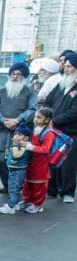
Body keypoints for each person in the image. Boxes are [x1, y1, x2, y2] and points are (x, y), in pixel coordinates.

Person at [0, 62, 37, 194]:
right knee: (2, 158)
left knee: (19, 159)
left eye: (19, 74)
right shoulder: (0, 91)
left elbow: (33, 109)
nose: (15, 76)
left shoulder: (30, 92)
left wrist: (18, 120)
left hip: (21, 131)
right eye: (13, 74)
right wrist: (3, 120)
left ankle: (17, 187)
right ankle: (7, 186)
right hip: (3, 129)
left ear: (24, 77)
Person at [46, 52, 77, 202]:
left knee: (68, 163)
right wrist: (47, 117)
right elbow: (48, 102)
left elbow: (74, 111)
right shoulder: (60, 84)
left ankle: (68, 192)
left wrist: (55, 121)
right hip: (54, 130)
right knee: (52, 160)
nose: (66, 68)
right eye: (65, 66)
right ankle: (51, 189)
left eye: (70, 66)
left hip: (71, 131)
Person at [21, 108, 57, 214]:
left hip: (41, 162)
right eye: (35, 117)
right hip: (32, 160)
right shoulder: (36, 128)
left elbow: (46, 149)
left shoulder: (49, 133)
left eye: (39, 117)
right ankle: (27, 200)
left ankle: (37, 204)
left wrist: (28, 146)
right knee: (28, 181)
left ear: (47, 120)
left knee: (39, 184)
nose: (35, 119)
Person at [0, 126, 33, 214]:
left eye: (19, 134)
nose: (16, 136)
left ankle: (11, 206)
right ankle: (15, 203)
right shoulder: (19, 145)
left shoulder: (24, 146)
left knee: (14, 188)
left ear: (26, 138)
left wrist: (13, 146)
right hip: (14, 169)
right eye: (16, 134)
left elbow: (17, 155)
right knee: (12, 187)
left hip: (18, 171)